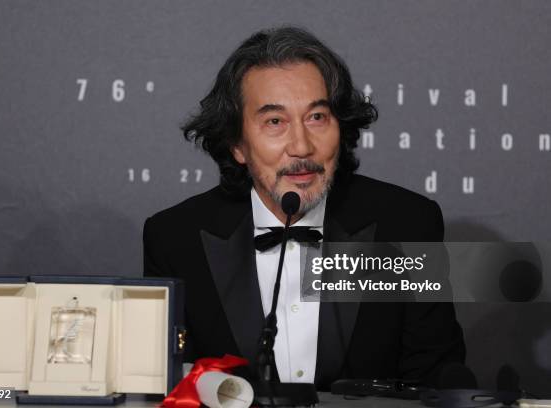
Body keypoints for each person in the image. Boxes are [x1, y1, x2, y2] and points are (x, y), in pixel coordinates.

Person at [143, 26, 465, 390]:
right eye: (275, 122)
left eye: (317, 118)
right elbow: (166, 385)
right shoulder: (175, 239)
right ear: (237, 145)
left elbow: (436, 379)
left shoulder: (407, 224)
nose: (301, 146)